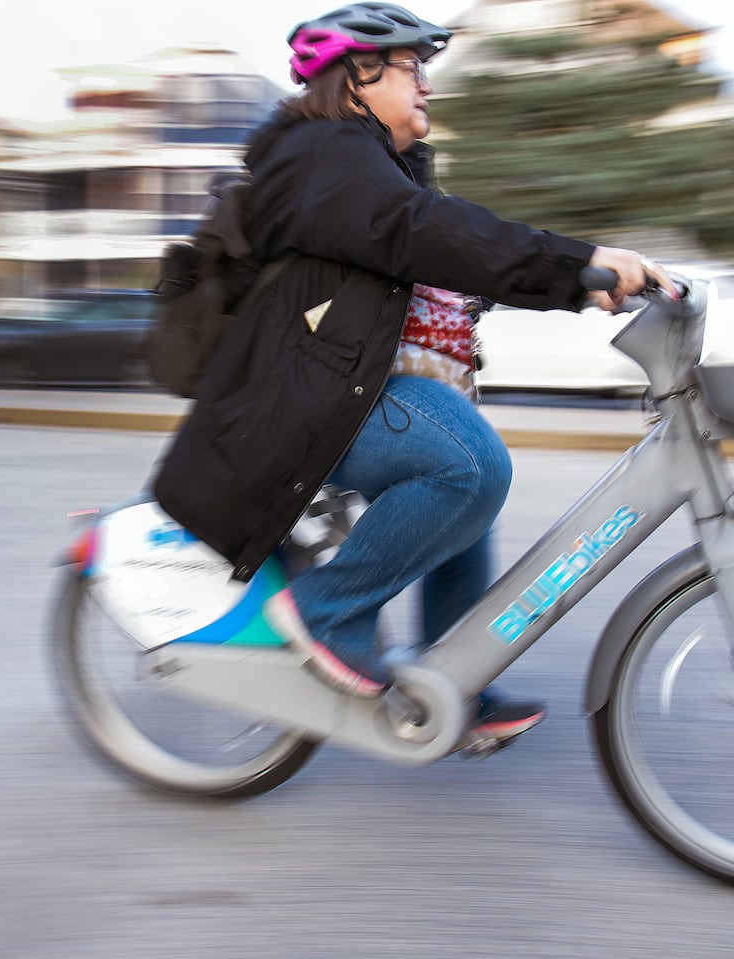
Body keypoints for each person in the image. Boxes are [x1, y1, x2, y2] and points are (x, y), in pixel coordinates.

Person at [153, 2, 676, 746]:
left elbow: (443, 250)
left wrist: (578, 280)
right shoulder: (323, 155)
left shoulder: (366, 169)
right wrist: (572, 262)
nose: (426, 84)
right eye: (411, 67)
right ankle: (328, 610)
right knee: (466, 465)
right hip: (298, 404)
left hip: (335, 390)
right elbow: (421, 233)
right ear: (357, 79)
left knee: (465, 484)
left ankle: (453, 675)